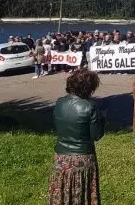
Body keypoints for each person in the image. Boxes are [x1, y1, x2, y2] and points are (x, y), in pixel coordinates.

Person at [48, 69, 105, 205]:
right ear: (88, 88)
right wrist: (102, 119)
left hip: (61, 157)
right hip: (83, 158)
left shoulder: (59, 102)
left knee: (62, 190)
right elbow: (96, 135)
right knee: (83, 193)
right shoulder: (91, 107)